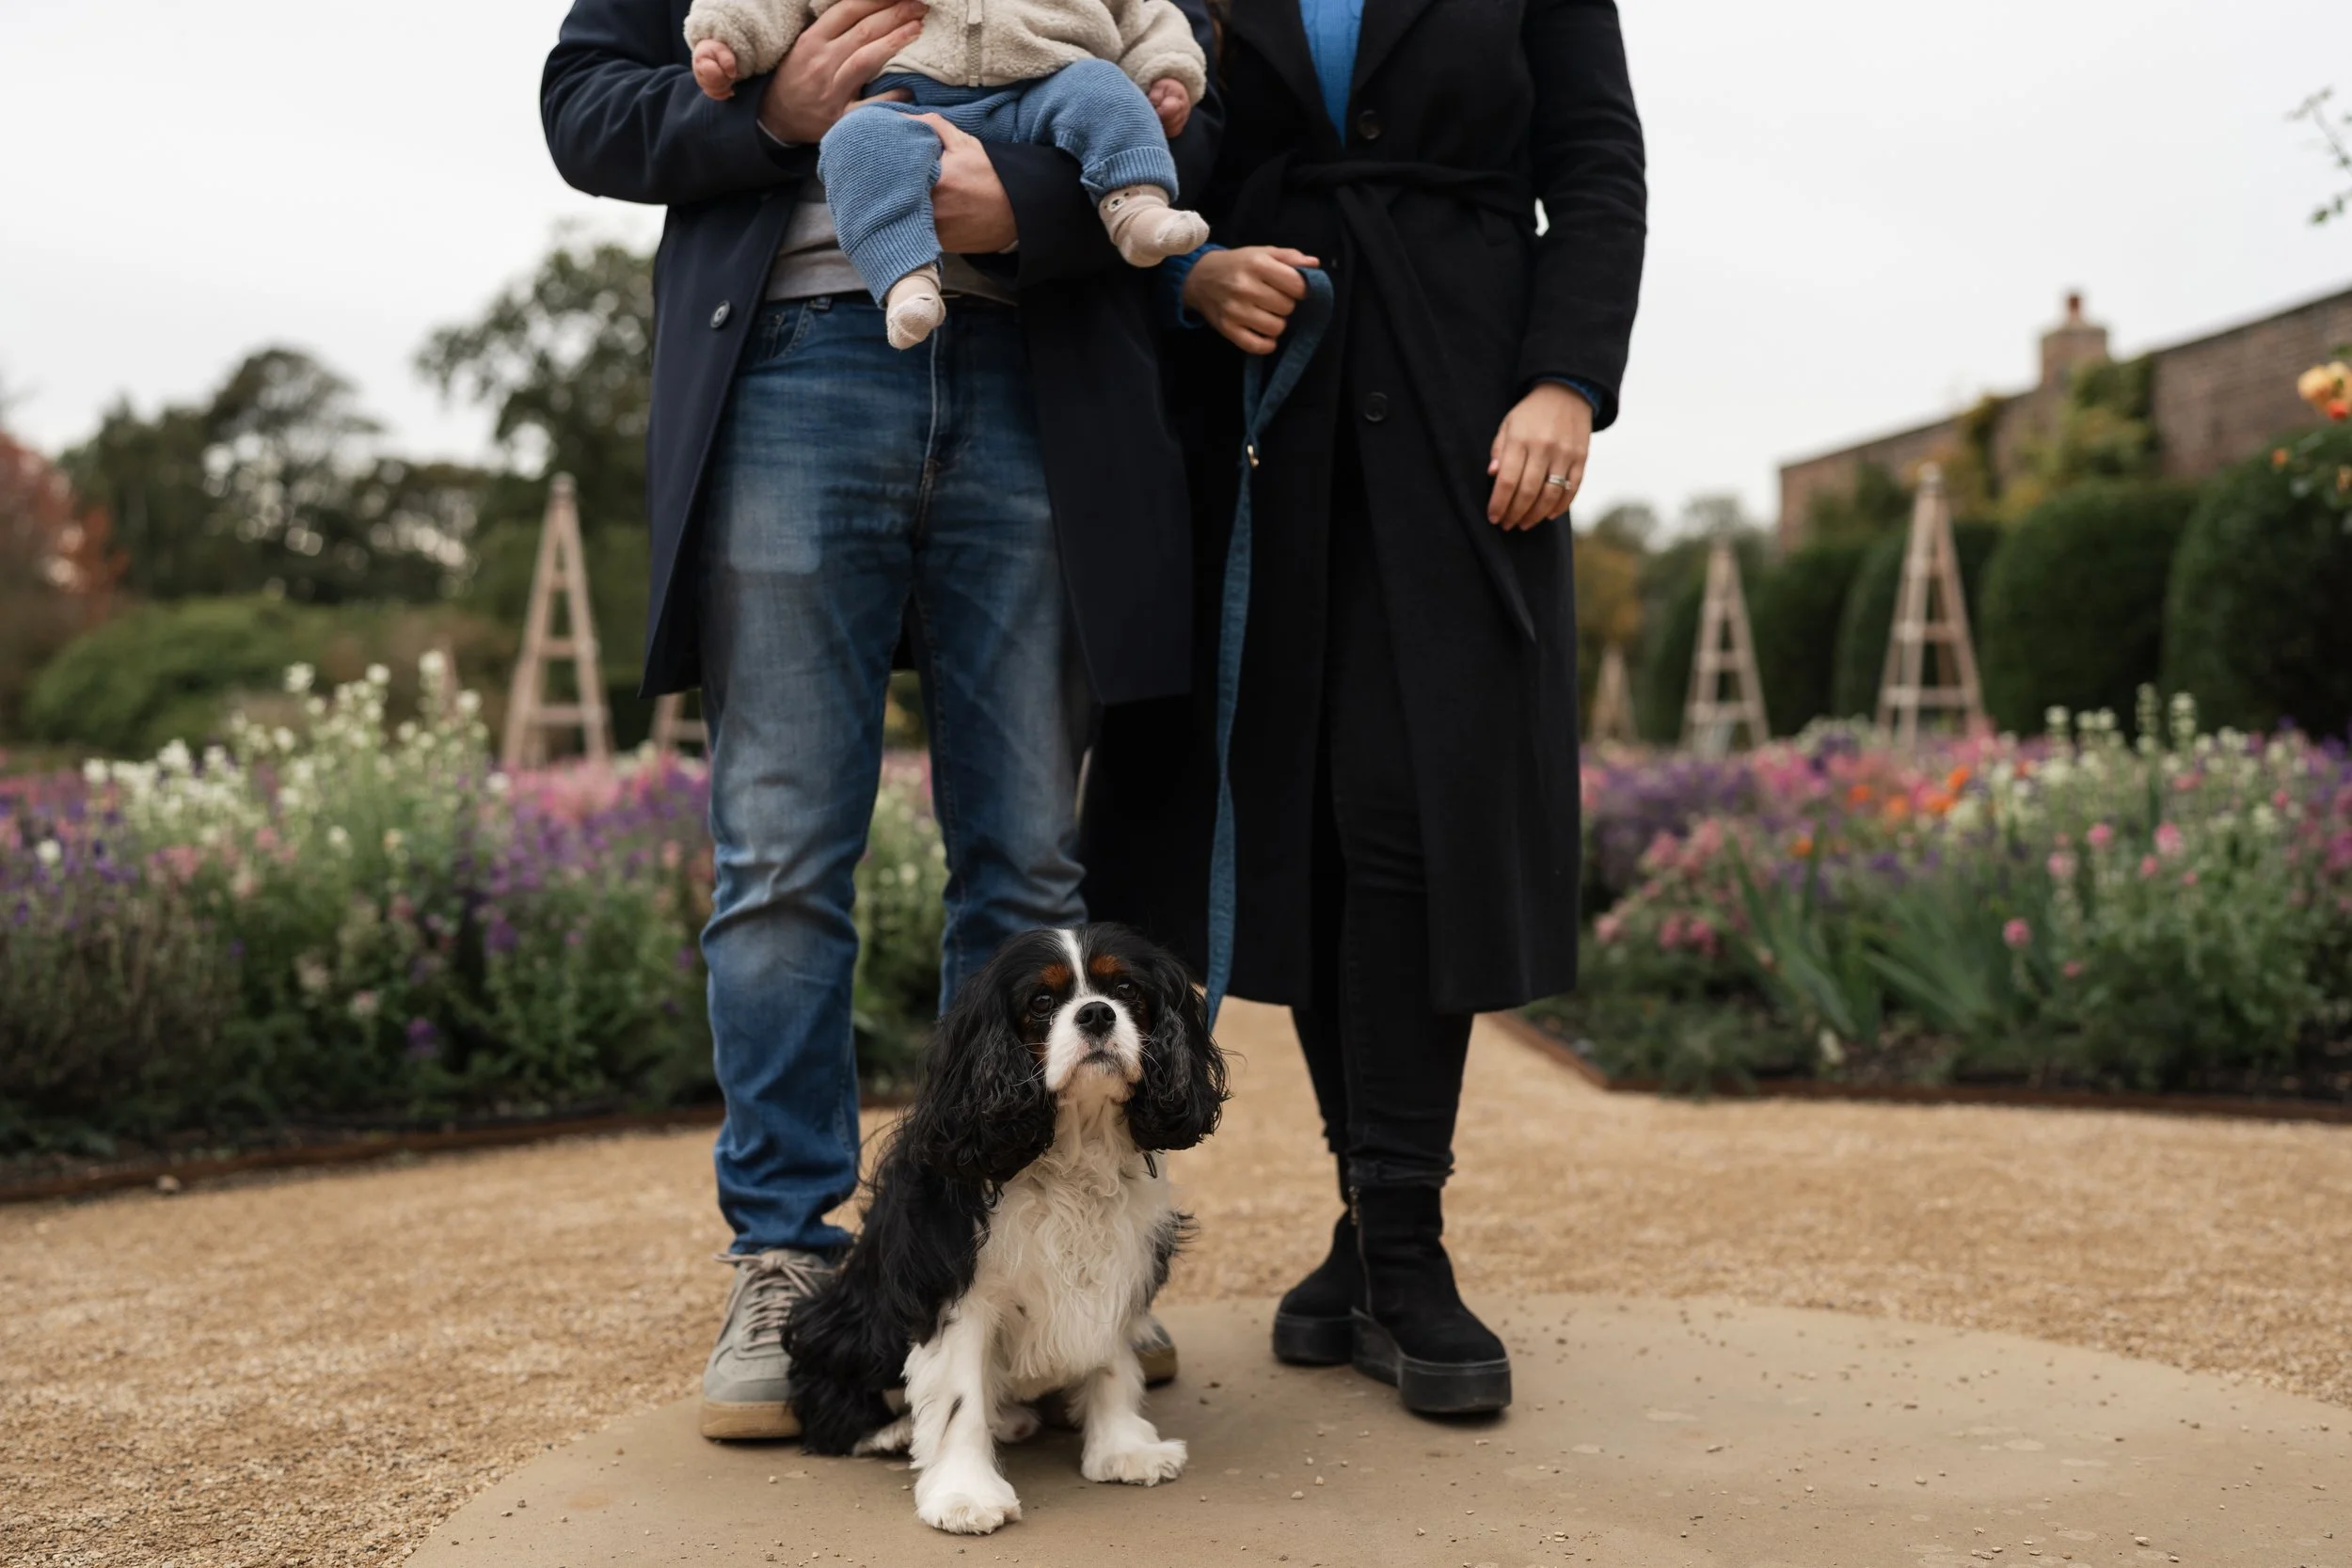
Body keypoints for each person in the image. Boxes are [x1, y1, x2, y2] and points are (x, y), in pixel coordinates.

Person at [542, 0, 1219, 1441]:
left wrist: (1029, 197)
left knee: (1032, 861)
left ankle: (1044, 1267)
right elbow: (585, 103)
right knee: (782, 855)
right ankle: (785, 1256)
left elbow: (1192, 101)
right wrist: (769, 119)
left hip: (1041, 372)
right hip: (794, 358)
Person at [1080, 0, 1645, 1417]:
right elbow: (1123, 143)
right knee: (1307, 828)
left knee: (1409, 804)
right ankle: (1369, 1223)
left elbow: (1594, 162)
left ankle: (1403, 1240)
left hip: (1469, 410)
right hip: (1254, 416)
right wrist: (1190, 275)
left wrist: (1568, 378)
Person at [683, 0, 1211, 347]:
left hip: (1046, 90)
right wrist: (728, 35)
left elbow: (1148, 13)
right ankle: (906, 281)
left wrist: (1167, 69)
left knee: (1104, 88)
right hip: (902, 103)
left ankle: (1137, 207)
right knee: (855, 142)